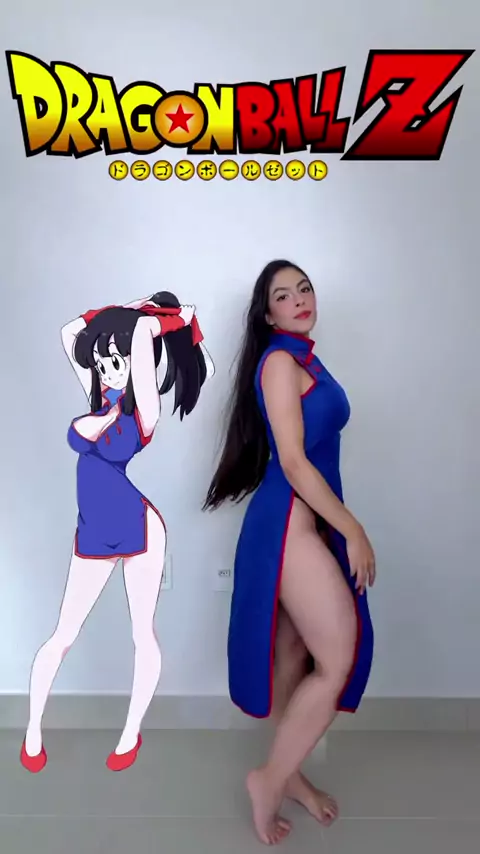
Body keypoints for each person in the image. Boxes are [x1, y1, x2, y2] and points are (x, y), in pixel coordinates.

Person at [203, 260, 376, 845]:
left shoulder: (305, 357)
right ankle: (269, 780)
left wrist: (337, 527)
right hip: (286, 528)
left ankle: (290, 776)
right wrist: (353, 530)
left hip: (306, 526)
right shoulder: (279, 361)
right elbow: (295, 463)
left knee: (296, 653)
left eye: (304, 288)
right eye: (284, 294)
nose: (300, 299)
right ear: (268, 313)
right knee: (337, 657)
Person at [21, 291, 214, 774]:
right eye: (104, 361)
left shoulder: (142, 411)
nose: (108, 370)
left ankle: (131, 733)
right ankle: (32, 731)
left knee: (141, 632)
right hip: (94, 531)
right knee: (63, 634)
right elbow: (71, 331)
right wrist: (129, 308)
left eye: (118, 361)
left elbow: (144, 332)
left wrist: (168, 319)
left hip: (138, 527)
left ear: (137, 362)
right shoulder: (97, 392)